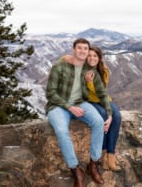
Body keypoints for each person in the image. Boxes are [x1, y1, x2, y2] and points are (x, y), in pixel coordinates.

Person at [45, 38, 112, 186]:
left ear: (88, 51)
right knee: (62, 131)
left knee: (98, 122)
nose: (82, 51)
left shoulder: (90, 70)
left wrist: (110, 114)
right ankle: (75, 170)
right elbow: (50, 93)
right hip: (58, 106)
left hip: (80, 103)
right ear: (74, 49)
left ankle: (93, 164)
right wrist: (69, 107)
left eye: (85, 49)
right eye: (79, 48)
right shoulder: (60, 67)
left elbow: (102, 93)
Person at [62, 45, 122, 171]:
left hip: (102, 99)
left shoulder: (104, 70)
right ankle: (103, 155)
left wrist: (90, 83)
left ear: (99, 58)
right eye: (89, 55)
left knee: (116, 116)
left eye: (95, 56)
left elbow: (101, 91)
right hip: (89, 101)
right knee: (103, 116)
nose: (92, 58)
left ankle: (111, 155)